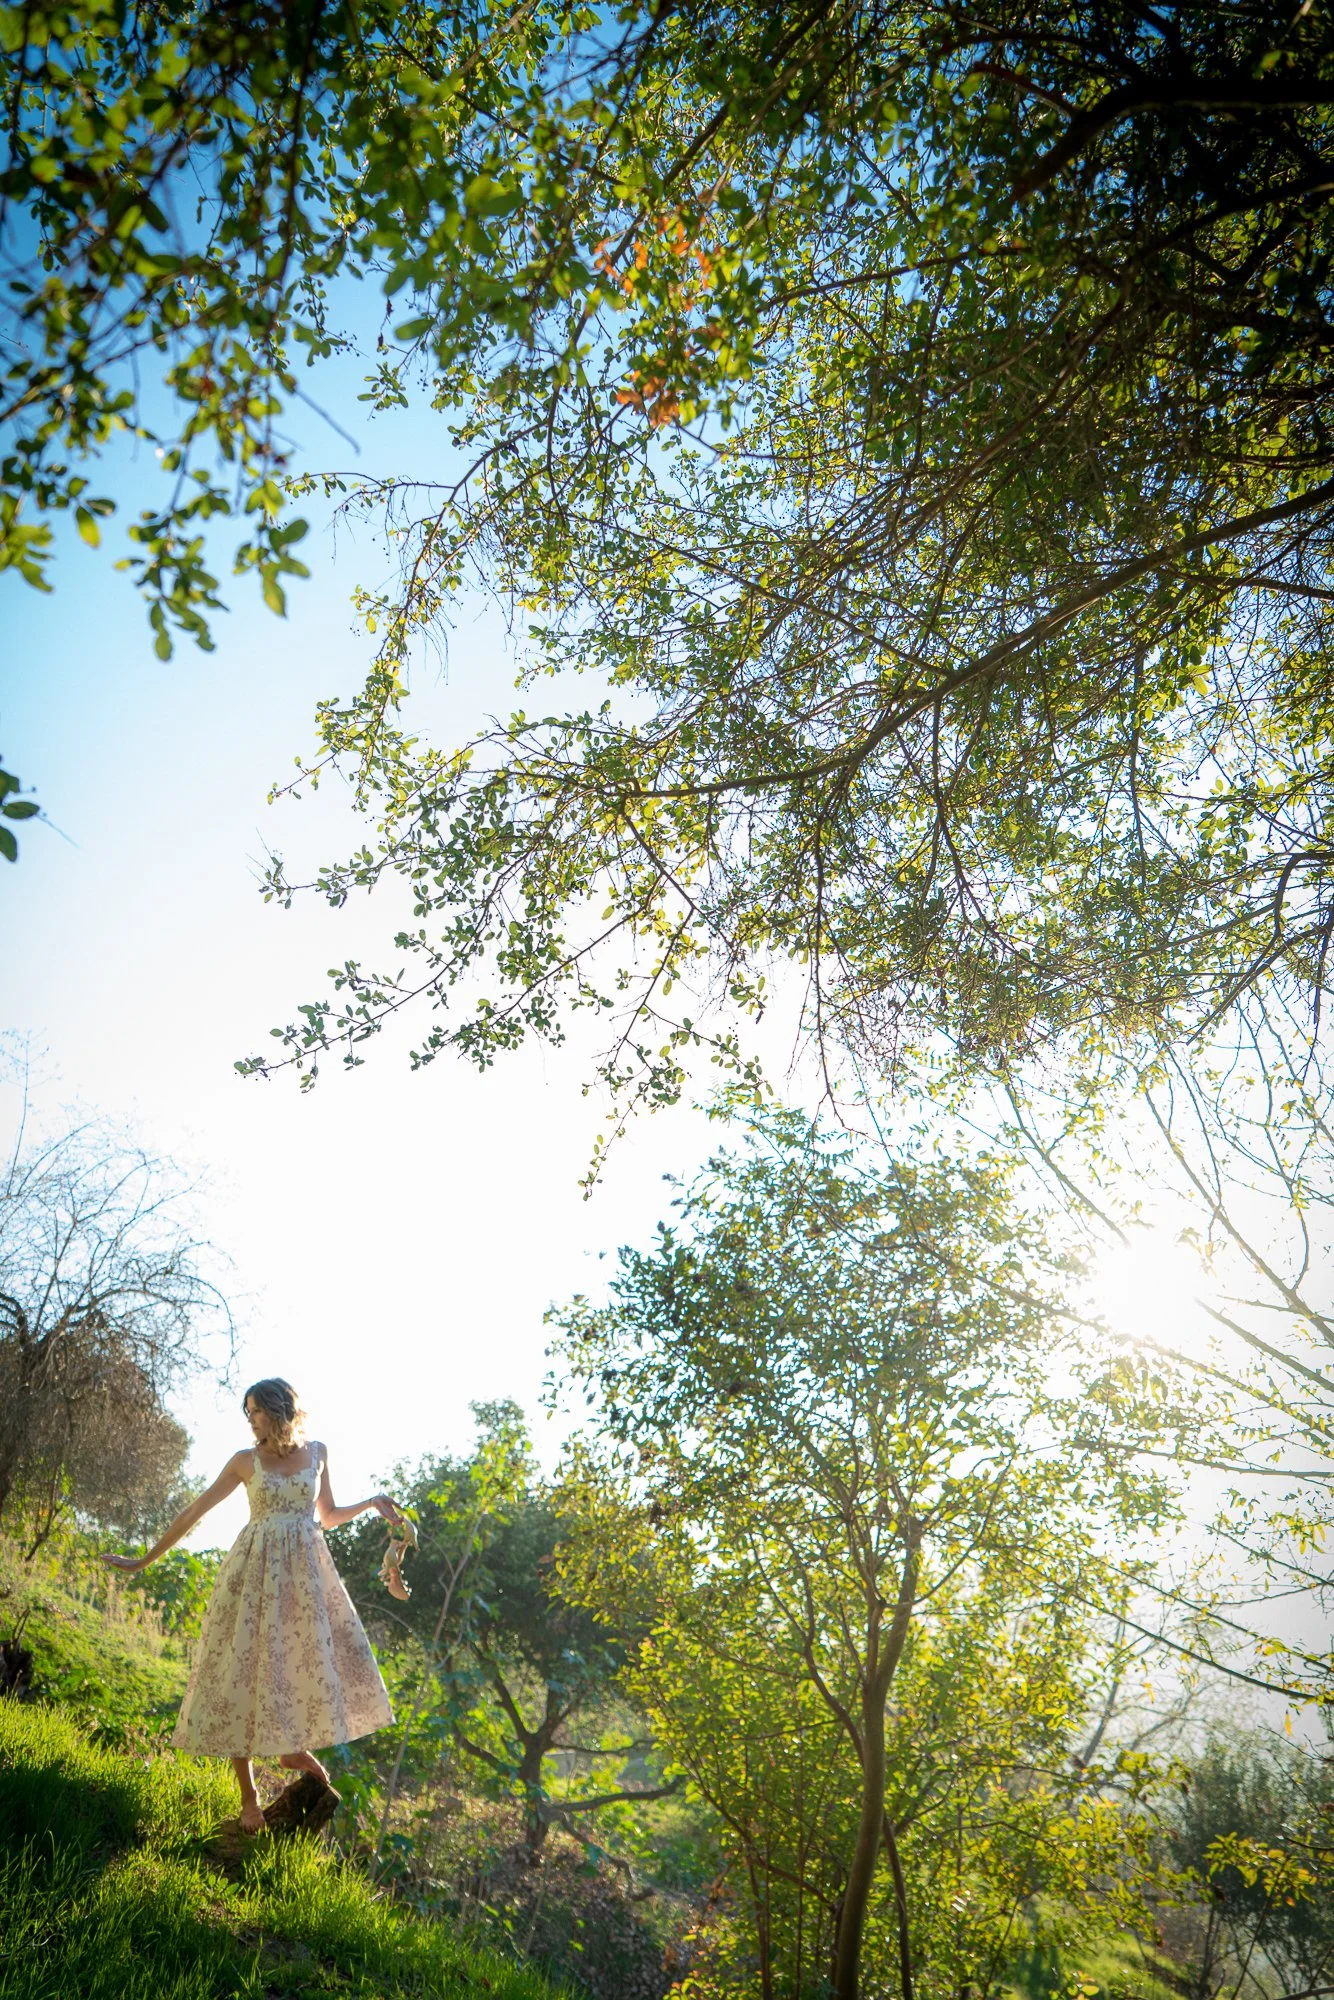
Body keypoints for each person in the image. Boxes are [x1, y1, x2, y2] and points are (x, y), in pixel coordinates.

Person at [102, 1376, 402, 1834]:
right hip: (253, 1575)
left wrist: (371, 1503)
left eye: (256, 1411)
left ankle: (290, 1746)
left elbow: (328, 1516)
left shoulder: (318, 1452)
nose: (250, 1420)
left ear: (280, 1409)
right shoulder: (246, 1462)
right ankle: (249, 1797)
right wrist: (143, 1560)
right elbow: (193, 1512)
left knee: (301, 1664)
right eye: (248, 1413)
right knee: (239, 1673)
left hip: (304, 1579)